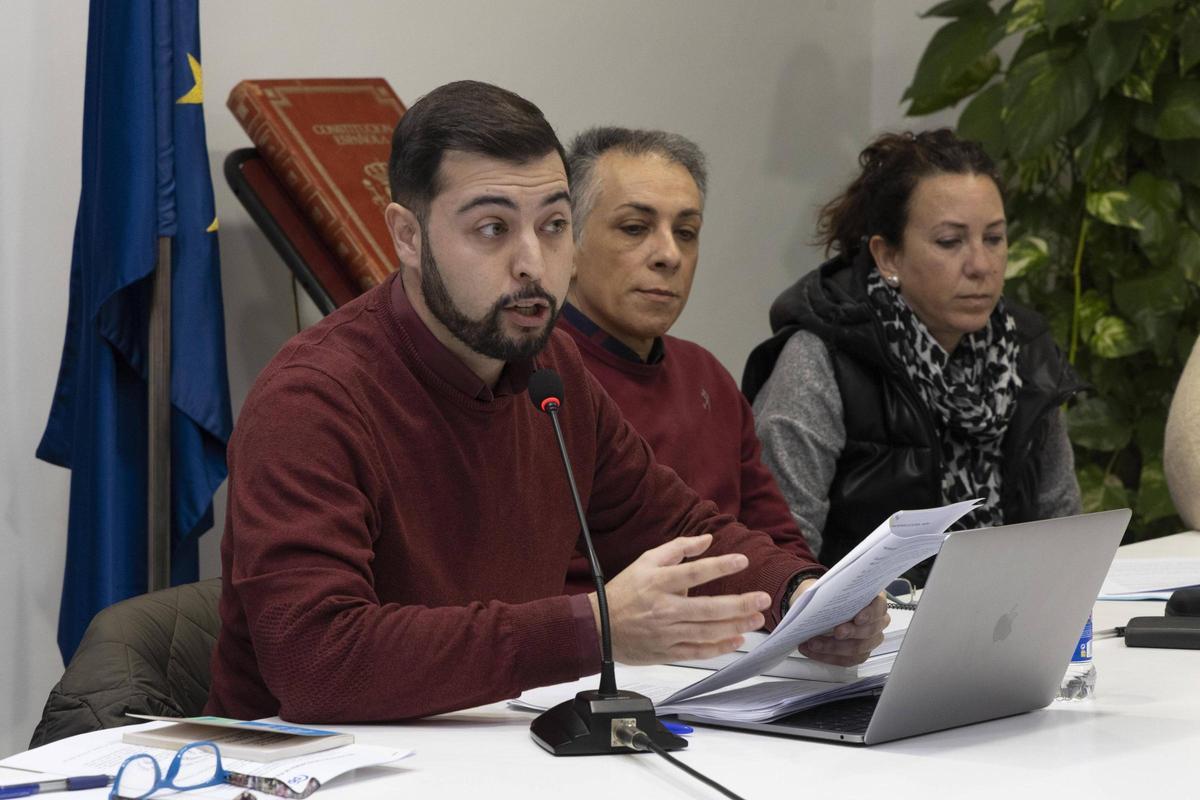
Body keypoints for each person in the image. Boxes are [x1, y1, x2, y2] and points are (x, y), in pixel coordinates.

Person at [206, 81, 887, 723]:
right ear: (408, 237)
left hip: (486, 743)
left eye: (555, 224)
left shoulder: (549, 369)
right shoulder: (313, 397)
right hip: (309, 768)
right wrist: (592, 628)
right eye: (492, 229)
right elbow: (317, 658)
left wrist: (805, 597)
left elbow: (677, 528)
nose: (533, 262)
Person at [743, 129, 1083, 584]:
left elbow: (1064, 532)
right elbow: (779, 560)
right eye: (950, 241)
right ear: (888, 257)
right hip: (862, 622)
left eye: (994, 238)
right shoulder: (819, 362)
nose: (981, 265)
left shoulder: (1025, 352)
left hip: (1005, 612)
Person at [559, 126, 822, 617]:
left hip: (738, 641)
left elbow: (776, 538)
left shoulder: (705, 374)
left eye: (686, 232)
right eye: (634, 228)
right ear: (567, 246)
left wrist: (814, 598)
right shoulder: (538, 379)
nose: (669, 255)